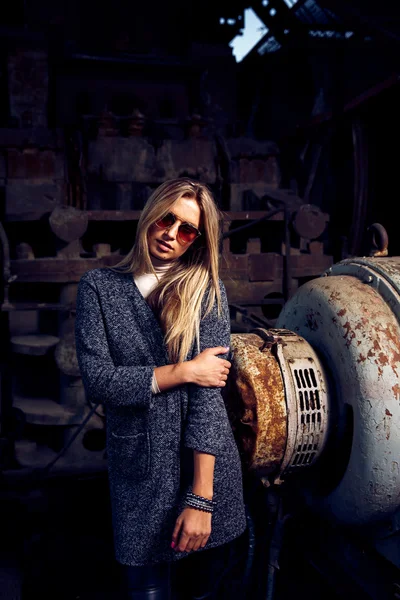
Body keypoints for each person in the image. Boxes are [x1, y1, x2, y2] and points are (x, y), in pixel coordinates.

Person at [74, 178, 247, 599]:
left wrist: (201, 499)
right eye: (167, 218)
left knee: (205, 590)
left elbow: (209, 400)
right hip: (139, 472)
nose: (172, 233)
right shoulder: (99, 288)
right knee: (145, 590)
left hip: (204, 471)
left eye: (187, 229)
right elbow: (99, 381)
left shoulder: (206, 291)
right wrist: (184, 371)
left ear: (197, 241)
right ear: (150, 216)